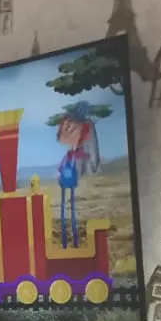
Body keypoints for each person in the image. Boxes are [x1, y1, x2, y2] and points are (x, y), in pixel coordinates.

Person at [54, 103, 101, 248]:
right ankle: (67, 241)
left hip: (70, 176)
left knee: (70, 208)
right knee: (66, 208)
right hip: (67, 176)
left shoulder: (82, 132)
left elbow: (85, 156)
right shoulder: (72, 151)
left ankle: (72, 241)